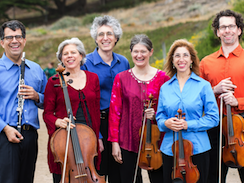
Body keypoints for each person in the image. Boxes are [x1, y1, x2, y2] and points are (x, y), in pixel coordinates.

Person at [200, 9, 244, 183]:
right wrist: (214, 90)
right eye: (223, 27)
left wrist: (237, 101)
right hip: (215, 126)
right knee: (213, 178)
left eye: (231, 26)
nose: (227, 30)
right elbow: (196, 98)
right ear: (217, 32)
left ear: (239, 29)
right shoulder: (205, 63)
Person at [0, 20, 47, 183]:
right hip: (4, 136)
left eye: (18, 37)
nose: (14, 41)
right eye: (9, 37)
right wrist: (5, 128)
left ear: (24, 40)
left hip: (29, 136)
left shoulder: (36, 69)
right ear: (2, 42)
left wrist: (37, 96)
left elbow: (48, 100)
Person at [108, 34, 169, 183]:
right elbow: (115, 113)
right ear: (131, 52)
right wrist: (115, 143)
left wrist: (156, 114)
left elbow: (170, 109)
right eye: (136, 51)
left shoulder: (163, 78)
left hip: (156, 141)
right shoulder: (121, 78)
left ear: (151, 52)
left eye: (143, 51)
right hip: (127, 140)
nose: (139, 55)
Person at [156, 39, 219, 183]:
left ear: (191, 59)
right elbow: (159, 117)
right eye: (177, 56)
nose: (181, 59)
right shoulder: (165, 88)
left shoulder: (204, 86)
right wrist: (166, 122)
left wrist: (188, 125)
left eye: (185, 55)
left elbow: (213, 118)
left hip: (198, 149)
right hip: (170, 149)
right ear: (172, 60)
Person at [43, 37, 102, 183]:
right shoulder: (54, 82)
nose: (69, 56)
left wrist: (98, 137)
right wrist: (57, 121)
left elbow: (96, 110)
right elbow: (47, 113)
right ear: (61, 59)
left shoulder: (93, 78)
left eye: (73, 52)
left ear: (81, 56)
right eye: (65, 53)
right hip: (65, 138)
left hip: (90, 139)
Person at [81, 15, 130, 182]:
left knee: (120, 171)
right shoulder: (86, 63)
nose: (105, 38)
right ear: (95, 38)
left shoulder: (123, 62)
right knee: (100, 172)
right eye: (100, 34)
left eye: (109, 33)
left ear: (116, 38)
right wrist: (97, 135)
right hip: (97, 121)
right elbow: (84, 101)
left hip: (120, 123)